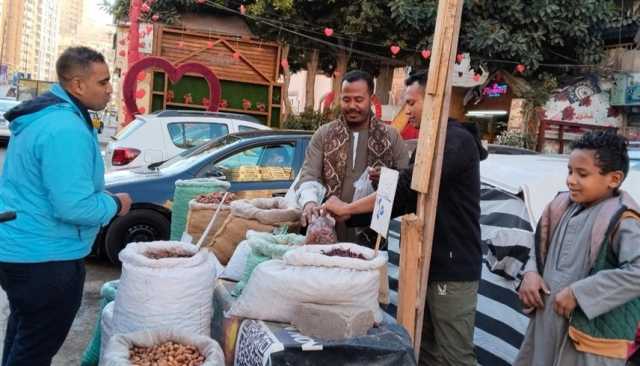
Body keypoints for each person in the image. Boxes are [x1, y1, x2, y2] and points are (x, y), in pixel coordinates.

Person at [324, 70, 487, 366]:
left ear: (436, 102)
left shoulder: (455, 142)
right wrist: (379, 187)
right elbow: (405, 195)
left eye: (412, 103)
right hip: (426, 261)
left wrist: (348, 209)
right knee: (423, 350)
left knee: (455, 356)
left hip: (452, 267)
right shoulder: (428, 144)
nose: (406, 111)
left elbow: (409, 187)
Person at [0, 47, 131, 366]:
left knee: (24, 336)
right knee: (34, 348)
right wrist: (115, 204)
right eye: (102, 82)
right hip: (45, 257)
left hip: (24, 249)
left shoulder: (49, 117)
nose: (109, 89)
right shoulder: (64, 128)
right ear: (77, 85)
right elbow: (74, 207)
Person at [514, 130, 640, 366]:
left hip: (589, 344)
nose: (571, 180)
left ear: (614, 178)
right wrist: (530, 272)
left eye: (582, 174)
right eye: (570, 171)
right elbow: (538, 243)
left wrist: (580, 293)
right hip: (546, 327)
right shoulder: (560, 206)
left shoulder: (624, 220)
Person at [295, 69, 409, 243]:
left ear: (371, 98)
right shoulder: (324, 134)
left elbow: (407, 180)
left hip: (372, 234)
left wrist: (386, 178)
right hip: (327, 230)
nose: (352, 105)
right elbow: (309, 174)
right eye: (346, 99)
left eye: (359, 99)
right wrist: (309, 202)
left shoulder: (391, 137)